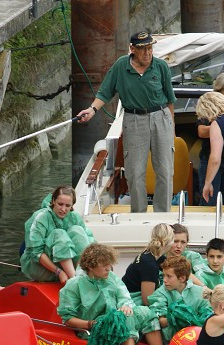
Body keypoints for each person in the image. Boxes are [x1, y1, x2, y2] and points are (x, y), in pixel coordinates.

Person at [75, 31, 176, 213]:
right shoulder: (121, 66)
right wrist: (92, 110)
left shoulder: (161, 66)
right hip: (134, 119)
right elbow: (105, 92)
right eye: (142, 49)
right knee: (135, 172)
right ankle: (138, 213)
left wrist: (171, 128)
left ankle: (163, 214)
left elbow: (170, 100)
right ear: (132, 49)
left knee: (165, 171)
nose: (147, 53)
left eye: (150, 48)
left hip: (161, 118)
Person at [58, 243, 166, 345]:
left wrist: (126, 306)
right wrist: (90, 324)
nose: (109, 268)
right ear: (90, 266)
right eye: (104, 265)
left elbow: (124, 297)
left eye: (110, 264)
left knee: (146, 313)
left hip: (116, 325)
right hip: (94, 329)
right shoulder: (74, 285)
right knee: (122, 317)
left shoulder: (111, 277)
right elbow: (67, 319)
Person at [21, 185, 94, 283]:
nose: (63, 209)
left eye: (67, 206)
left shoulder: (74, 217)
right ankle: (75, 281)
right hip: (42, 267)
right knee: (59, 234)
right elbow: (36, 253)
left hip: (68, 266)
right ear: (53, 201)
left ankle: (84, 274)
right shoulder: (40, 217)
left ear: (72, 206)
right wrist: (59, 272)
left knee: (78, 230)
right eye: (60, 204)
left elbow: (90, 240)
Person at [196, 71, 224, 206]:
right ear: (218, 91)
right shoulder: (209, 105)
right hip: (209, 158)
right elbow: (201, 132)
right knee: (208, 201)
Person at [148, 256, 212, 344]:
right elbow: (160, 321)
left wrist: (195, 320)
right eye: (163, 275)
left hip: (197, 338)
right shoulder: (160, 293)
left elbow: (207, 315)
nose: (165, 280)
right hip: (172, 341)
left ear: (182, 278)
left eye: (169, 276)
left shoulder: (199, 292)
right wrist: (174, 319)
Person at [122, 223, 174, 305]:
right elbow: (147, 301)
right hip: (130, 300)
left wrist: (201, 285)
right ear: (170, 241)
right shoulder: (149, 264)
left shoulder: (151, 254)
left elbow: (176, 268)